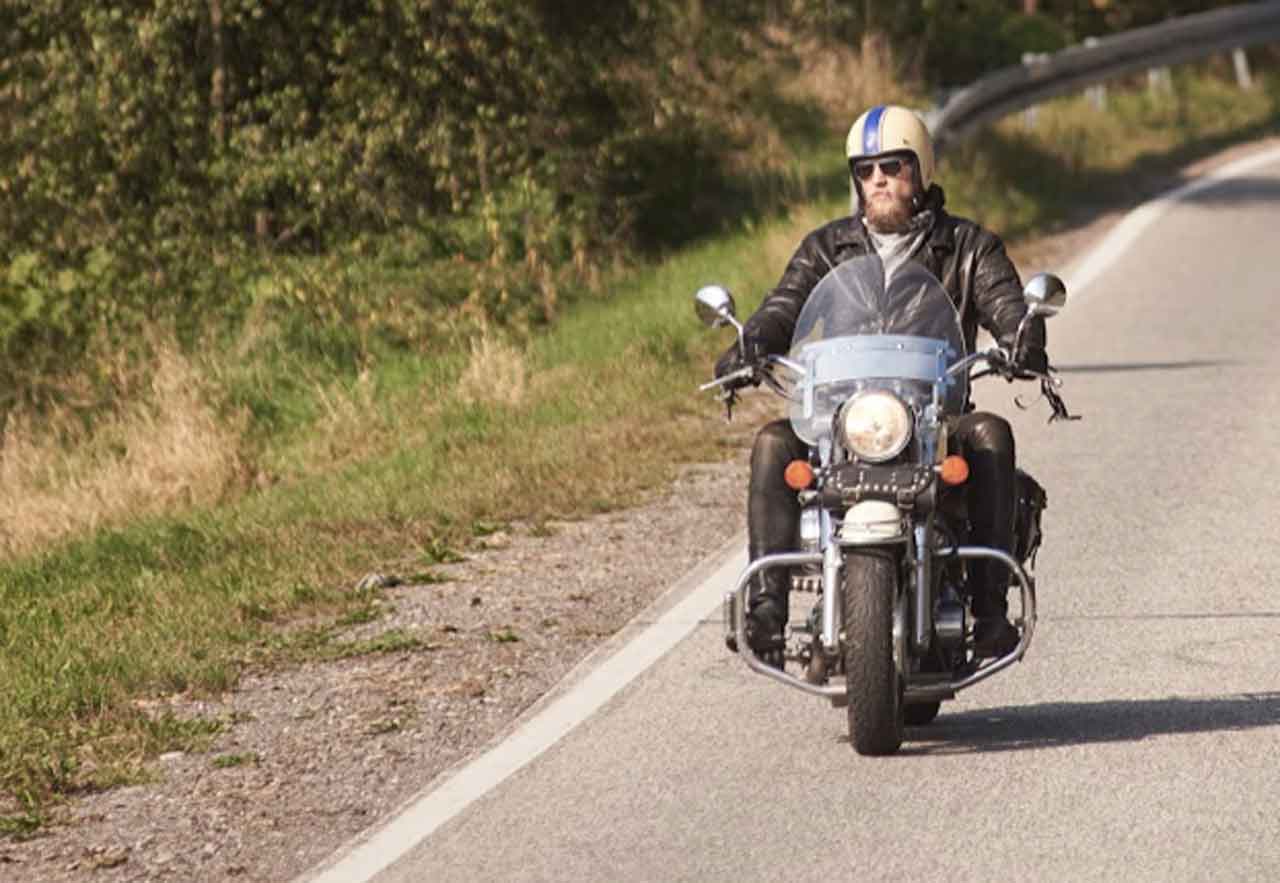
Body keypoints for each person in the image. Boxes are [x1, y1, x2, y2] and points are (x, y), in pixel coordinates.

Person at [715, 104, 1048, 665]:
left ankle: (990, 609)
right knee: (773, 442)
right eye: (866, 171)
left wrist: (1022, 336)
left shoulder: (969, 247)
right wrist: (750, 343)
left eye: (893, 167)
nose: (879, 180)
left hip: (933, 419)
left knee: (991, 433)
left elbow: (1004, 303)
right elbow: (784, 305)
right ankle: (766, 612)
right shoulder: (826, 248)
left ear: (921, 169)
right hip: (842, 419)